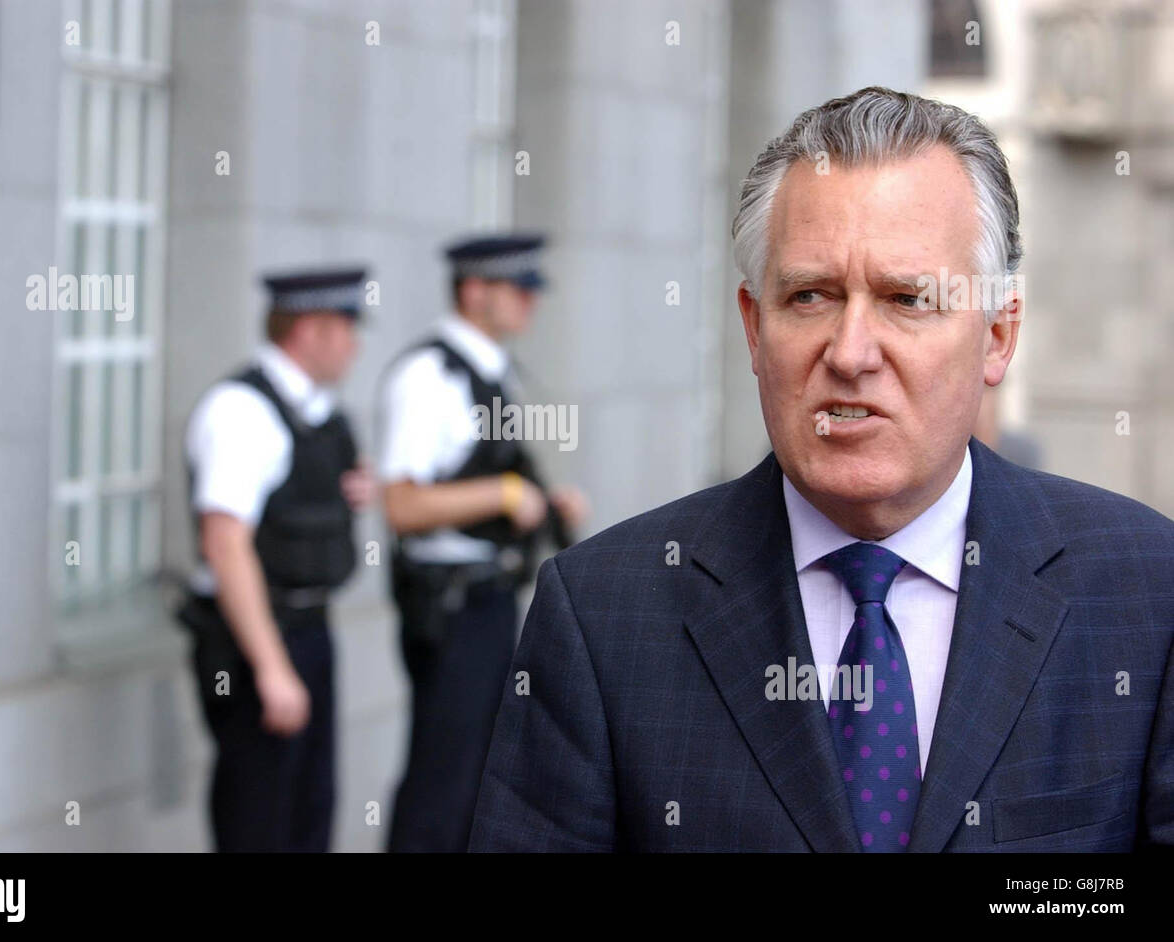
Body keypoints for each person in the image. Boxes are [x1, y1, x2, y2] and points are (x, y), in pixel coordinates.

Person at [470, 87, 1174, 852]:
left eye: (908, 299)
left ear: (998, 336)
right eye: (810, 296)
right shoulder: (603, 616)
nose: (850, 353)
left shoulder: (1146, 594)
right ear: (753, 325)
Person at [377, 234, 587, 852]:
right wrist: (500, 496)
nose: (530, 303)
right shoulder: (430, 376)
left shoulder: (491, 371)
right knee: (443, 783)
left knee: (480, 781)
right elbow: (402, 503)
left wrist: (544, 505)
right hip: (449, 606)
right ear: (474, 291)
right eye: (517, 290)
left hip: (490, 598)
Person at [177, 267, 375, 852]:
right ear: (309, 331)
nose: (355, 345)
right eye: (346, 329)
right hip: (254, 638)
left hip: (307, 628)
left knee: (310, 811)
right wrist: (270, 667)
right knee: (260, 818)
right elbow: (224, 543)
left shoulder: (318, 411)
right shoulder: (242, 411)